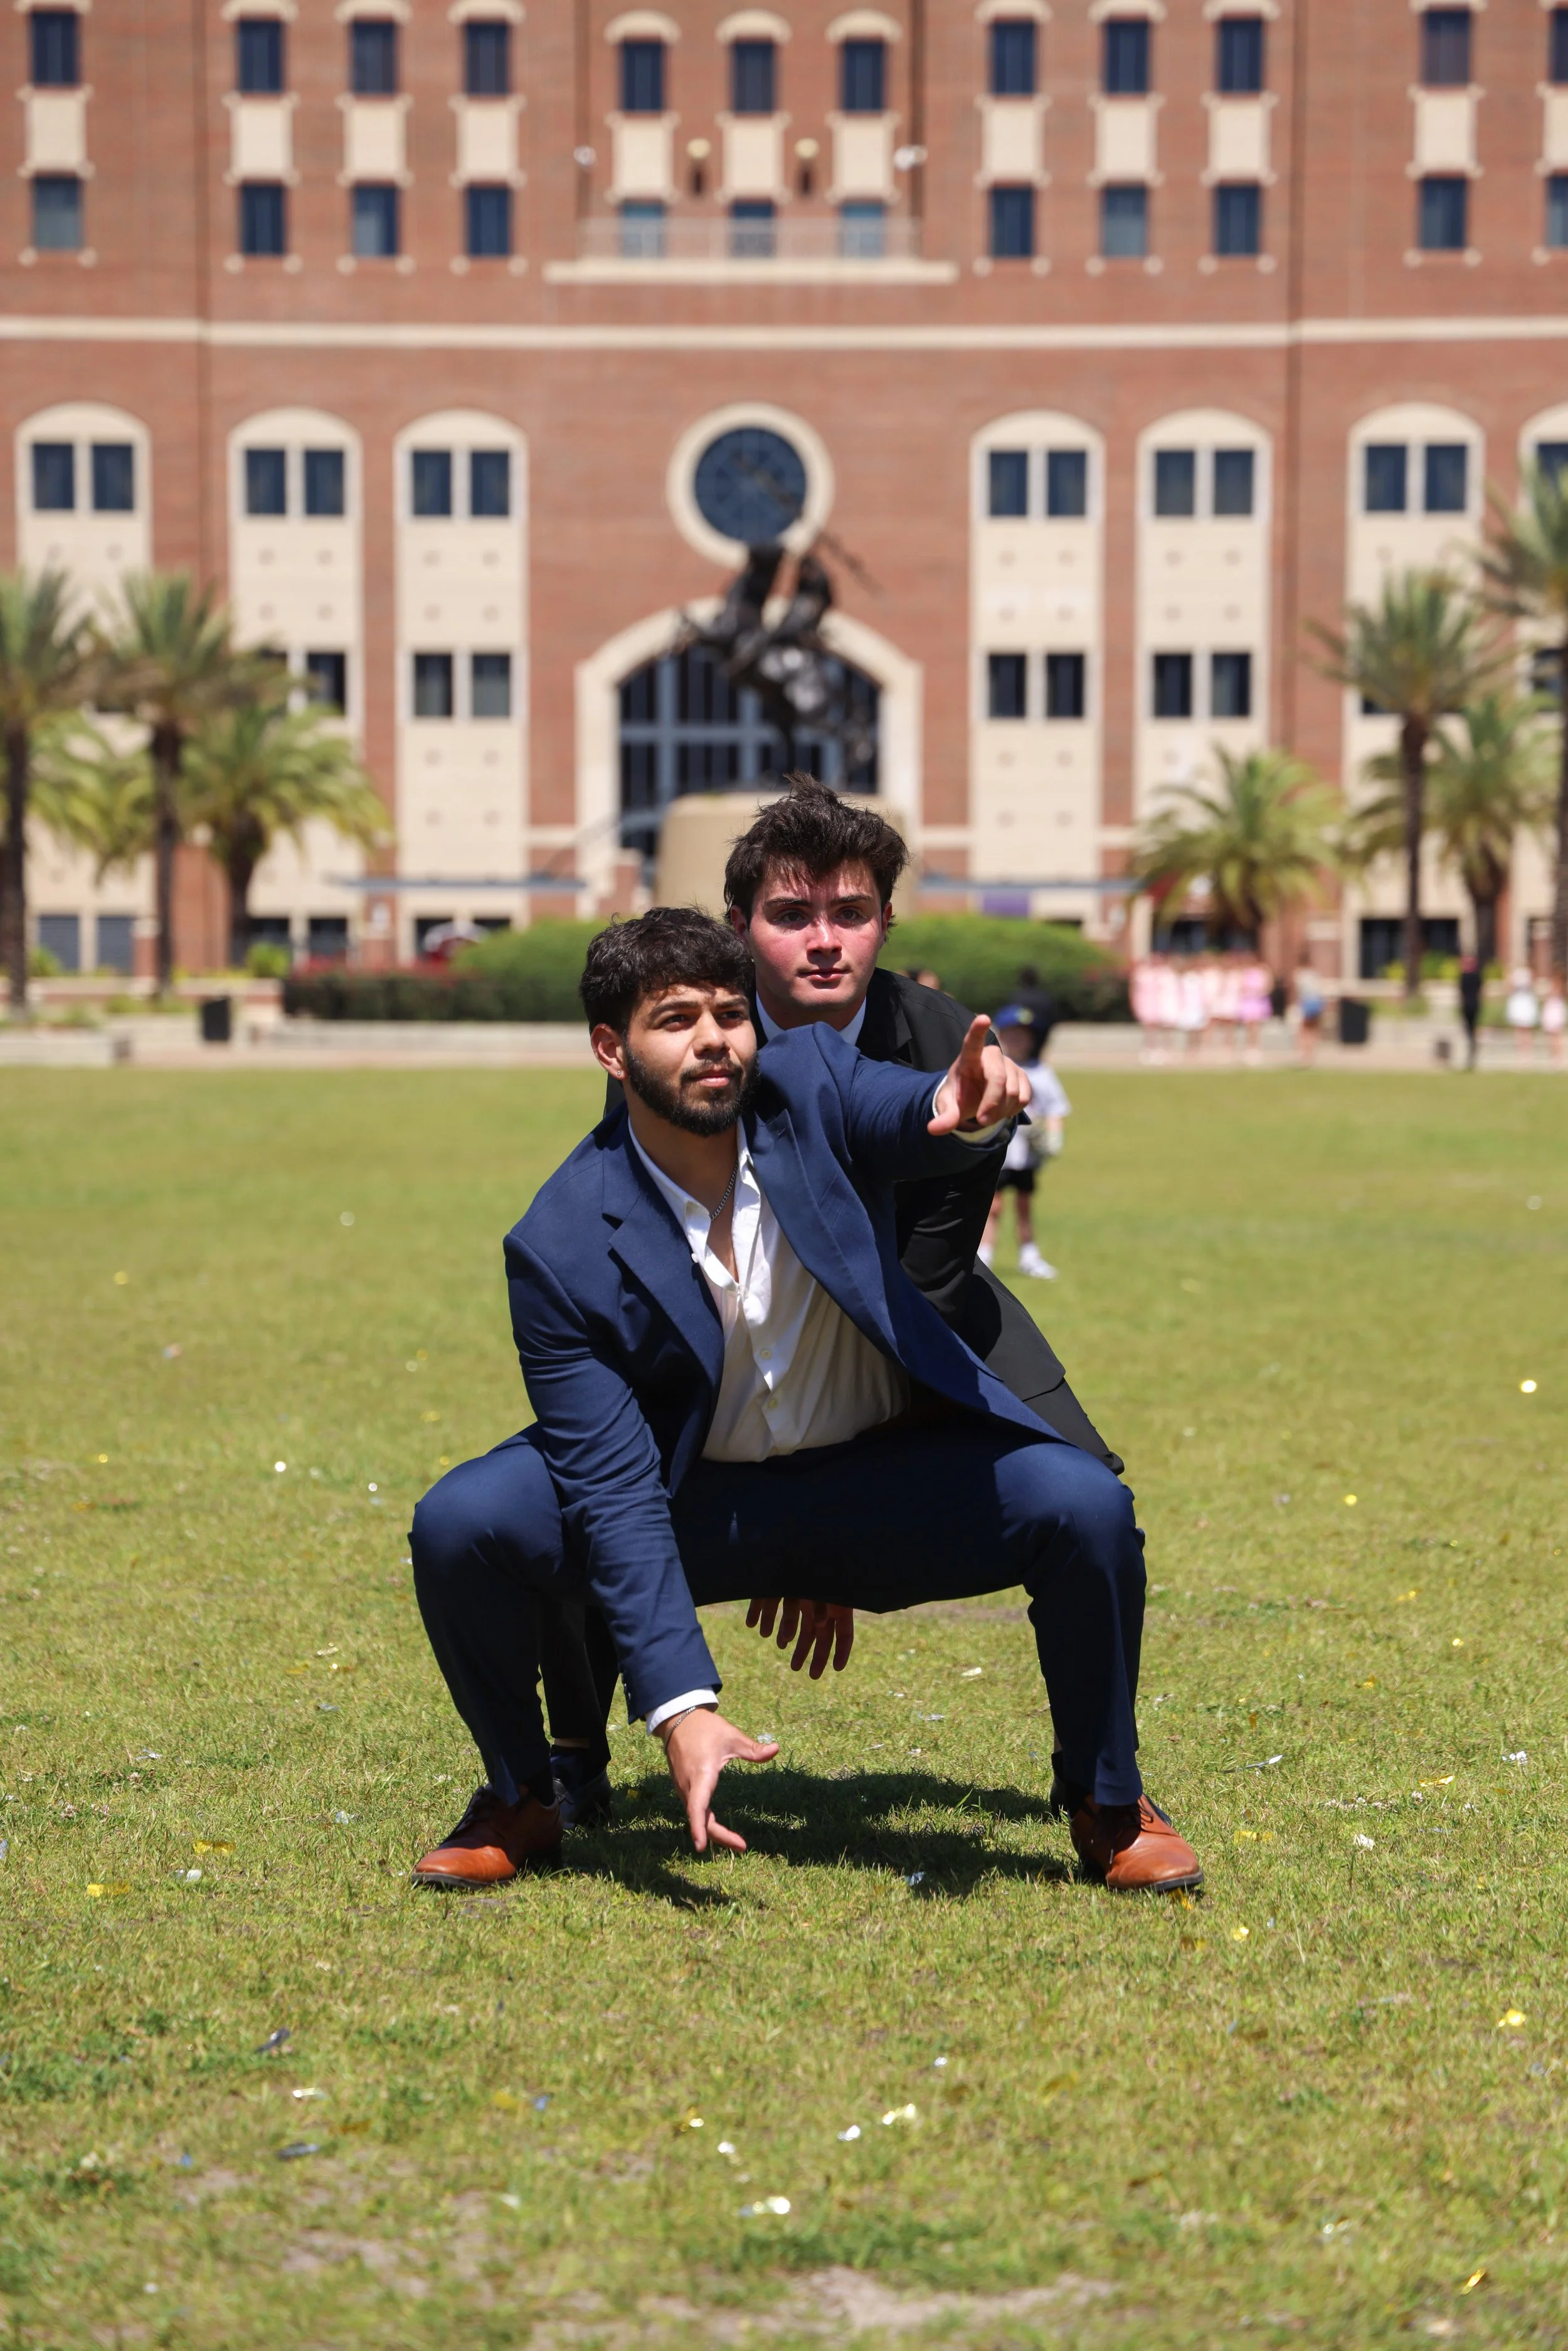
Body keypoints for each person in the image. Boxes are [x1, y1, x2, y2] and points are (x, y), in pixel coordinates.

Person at [408, 908, 1201, 1896]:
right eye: (676, 1019)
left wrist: (959, 1104)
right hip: (695, 1502)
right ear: (611, 1049)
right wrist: (681, 1707)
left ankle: (1106, 1804)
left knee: (1085, 1506)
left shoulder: (809, 1082)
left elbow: (898, 1109)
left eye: (732, 1014)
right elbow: (612, 1489)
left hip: (872, 1487)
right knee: (462, 1521)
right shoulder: (559, 1241)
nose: (714, 1040)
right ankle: (525, 1796)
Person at [541, 778, 1125, 1827]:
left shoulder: (954, 1045)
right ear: (739, 927)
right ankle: (568, 1760)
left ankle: (1105, 1793)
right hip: (731, 1341)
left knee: (1094, 1508)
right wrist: (770, 1474)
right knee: (584, 1483)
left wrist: (821, 1507)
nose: (824, 941)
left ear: (885, 924)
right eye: (791, 914)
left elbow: (927, 1276)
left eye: (850, 914)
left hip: (911, 1343)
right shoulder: (688, 1032)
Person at [980, 1003, 1068, 1282]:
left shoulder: (1041, 1072)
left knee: (1024, 1204)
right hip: (999, 1151)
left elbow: (1055, 1108)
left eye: (1025, 1036)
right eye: (1013, 1035)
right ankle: (984, 1255)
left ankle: (1029, 1255)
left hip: (1028, 1154)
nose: (1019, 1041)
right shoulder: (995, 1068)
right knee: (991, 1205)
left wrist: (1054, 1137)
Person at [1293, 955, 1325, 1068]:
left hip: (1306, 1004)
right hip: (1315, 1003)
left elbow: (1297, 992)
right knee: (1313, 1029)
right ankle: (1310, 1054)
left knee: (1303, 1030)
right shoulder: (1315, 975)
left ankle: (1305, 1054)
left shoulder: (1299, 975)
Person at [1505, 967, 1540, 1065]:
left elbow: (1534, 986)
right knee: (1519, 1031)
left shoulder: (1529, 972)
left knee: (1527, 1030)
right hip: (1518, 1002)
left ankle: (1528, 1055)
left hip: (1526, 1002)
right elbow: (1509, 988)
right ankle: (1521, 1055)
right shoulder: (1513, 972)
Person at [1457, 955, 1484, 1071]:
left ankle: (1472, 1042)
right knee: (1472, 1027)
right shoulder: (1476, 976)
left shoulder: (1464, 976)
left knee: (1469, 1027)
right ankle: (1472, 1043)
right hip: (1474, 1005)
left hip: (1468, 1005)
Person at [1542, 973, 1567, 1069]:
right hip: (1551, 1014)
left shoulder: (1559, 992)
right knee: (1551, 1038)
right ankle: (1554, 1057)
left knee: (1556, 1038)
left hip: (1556, 1015)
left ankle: (1558, 1058)